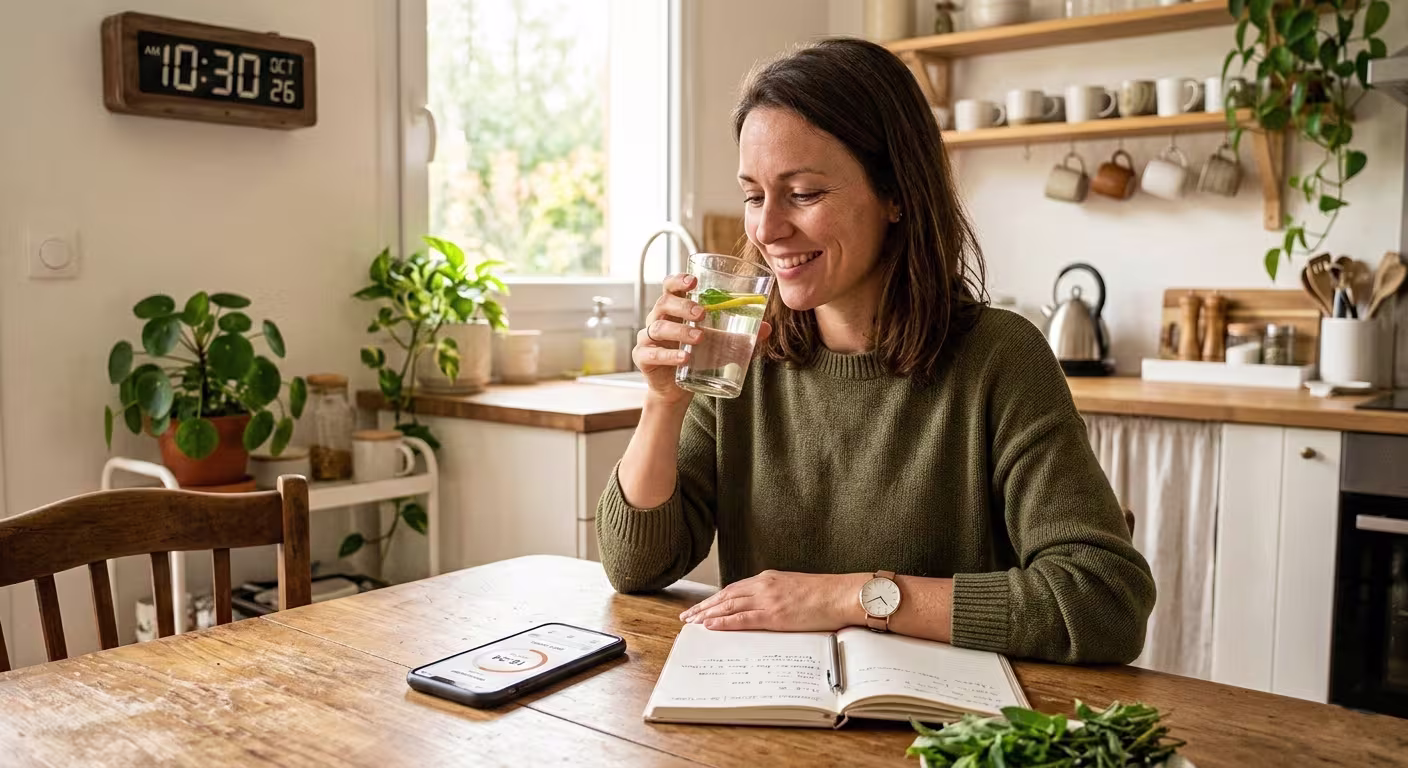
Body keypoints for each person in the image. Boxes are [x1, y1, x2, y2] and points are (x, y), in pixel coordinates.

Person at [595, 38, 1155, 665]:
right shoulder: (743, 351)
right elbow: (634, 565)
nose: (767, 228)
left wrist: (850, 598)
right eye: (754, 195)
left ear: (895, 194)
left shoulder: (1000, 358)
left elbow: (1106, 602)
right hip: (768, 719)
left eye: (803, 193)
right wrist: (662, 401)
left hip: (944, 736)